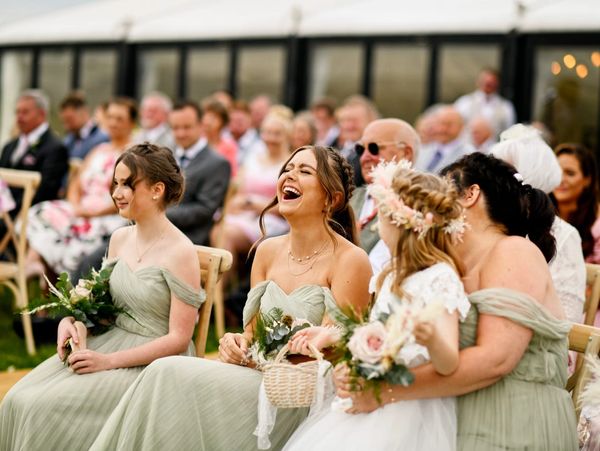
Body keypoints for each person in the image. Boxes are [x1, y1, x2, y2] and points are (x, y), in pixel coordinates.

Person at [90, 145, 372, 451]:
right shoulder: (266, 250)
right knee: (164, 376)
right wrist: (237, 346)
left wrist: (262, 361)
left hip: (298, 396)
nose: (290, 175)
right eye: (287, 169)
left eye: (304, 171)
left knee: (166, 372)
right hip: (255, 379)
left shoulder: (351, 260)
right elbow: (252, 336)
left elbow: (334, 353)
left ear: (332, 198)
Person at [335, 152, 578, 450]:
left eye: (442, 189)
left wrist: (383, 390)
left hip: (511, 419)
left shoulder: (515, 251)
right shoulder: (443, 271)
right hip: (445, 417)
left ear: (470, 194)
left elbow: (495, 359)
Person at [0, 143, 204, 450]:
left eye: (127, 184)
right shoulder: (121, 238)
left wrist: (107, 361)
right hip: (108, 341)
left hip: (153, 365)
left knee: (44, 408)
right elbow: (97, 295)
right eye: (116, 183)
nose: (117, 193)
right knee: (18, 398)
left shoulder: (181, 252)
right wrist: (70, 318)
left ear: (157, 189)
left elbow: (178, 338)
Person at [284, 162, 471, 451]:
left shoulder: (439, 278)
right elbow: (377, 331)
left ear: (400, 224)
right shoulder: (391, 274)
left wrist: (430, 337)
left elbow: (449, 364)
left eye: (381, 216)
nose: (376, 225)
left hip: (410, 409)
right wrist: (335, 337)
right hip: (372, 395)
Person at [72, 100, 231, 282]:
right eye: (176, 127)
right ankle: (71, 306)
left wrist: (157, 214)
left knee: (100, 257)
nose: (181, 133)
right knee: (91, 257)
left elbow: (205, 210)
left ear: (201, 126)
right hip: (143, 227)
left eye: (187, 127)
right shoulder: (166, 155)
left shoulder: (217, 163)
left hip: (187, 236)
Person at [24, 97, 137, 277]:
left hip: (109, 214)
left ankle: (44, 273)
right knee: (40, 212)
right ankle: (35, 262)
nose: (113, 123)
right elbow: (76, 183)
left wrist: (91, 213)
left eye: (120, 118)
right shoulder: (99, 149)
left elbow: (130, 195)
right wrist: (75, 206)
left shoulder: (135, 154)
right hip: (82, 208)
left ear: (131, 123)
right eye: (110, 117)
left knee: (63, 237)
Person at [491, 125, 585, 323]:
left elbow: (568, 318)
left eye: (502, 173)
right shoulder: (487, 223)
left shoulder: (564, 235)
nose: (491, 181)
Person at [216, 112, 292, 264]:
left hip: (272, 219)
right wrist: (236, 203)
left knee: (226, 234)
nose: (271, 138)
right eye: (267, 132)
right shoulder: (252, 158)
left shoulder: (291, 163)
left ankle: (218, 287)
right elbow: (238, 190)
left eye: (277, 134)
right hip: (245, 214)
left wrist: (255, 205)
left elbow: (289, 204)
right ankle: (223, 283)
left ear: (287, 136)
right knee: (216, 228)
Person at [349, 118, 419, 270]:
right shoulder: (348, 198)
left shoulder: (419, 204)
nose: (365, 157)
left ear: (406, 153)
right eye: (361, 149)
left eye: (374, 148)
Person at [0, 90, 68, 211]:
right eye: (17, 112)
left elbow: (45, 192)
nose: (19, 117)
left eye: (25, 112)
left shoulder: (55, 148)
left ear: (41, 114)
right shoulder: (9, 146)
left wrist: (9, 214)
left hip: (26, 214)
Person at [551, 143, 600, 264]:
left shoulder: (597, 226)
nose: (560, 179)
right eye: (556, 172)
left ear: (587, 180)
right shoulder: (536, 215)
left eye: (570, 173)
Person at [454, 67, 516, 138]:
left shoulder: (506, 106)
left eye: (491, 82)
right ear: (478, 81)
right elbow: (456, 127)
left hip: (494, 147)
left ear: (497, 83)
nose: (487, 83)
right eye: (484, 80)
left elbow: (510, 131)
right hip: (467, 148)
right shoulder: (464, 102)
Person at [415, 105, 474, 175]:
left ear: (461, 127)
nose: (442, 129)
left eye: (449, 125)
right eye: (440, 123)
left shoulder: (469, 155)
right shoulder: (423, 149)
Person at [60, 91, 109, 160]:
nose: (66, 126)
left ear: (84, 112)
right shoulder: (68, 140)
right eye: (64, 122)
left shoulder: (103, 139)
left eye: (70, 120)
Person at [202, 99, 238, 177]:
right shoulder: (197, 142)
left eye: (213, 117)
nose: (207, 121)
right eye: (206, 115)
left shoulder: (229, 146)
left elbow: (232, 173)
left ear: (222, 121)